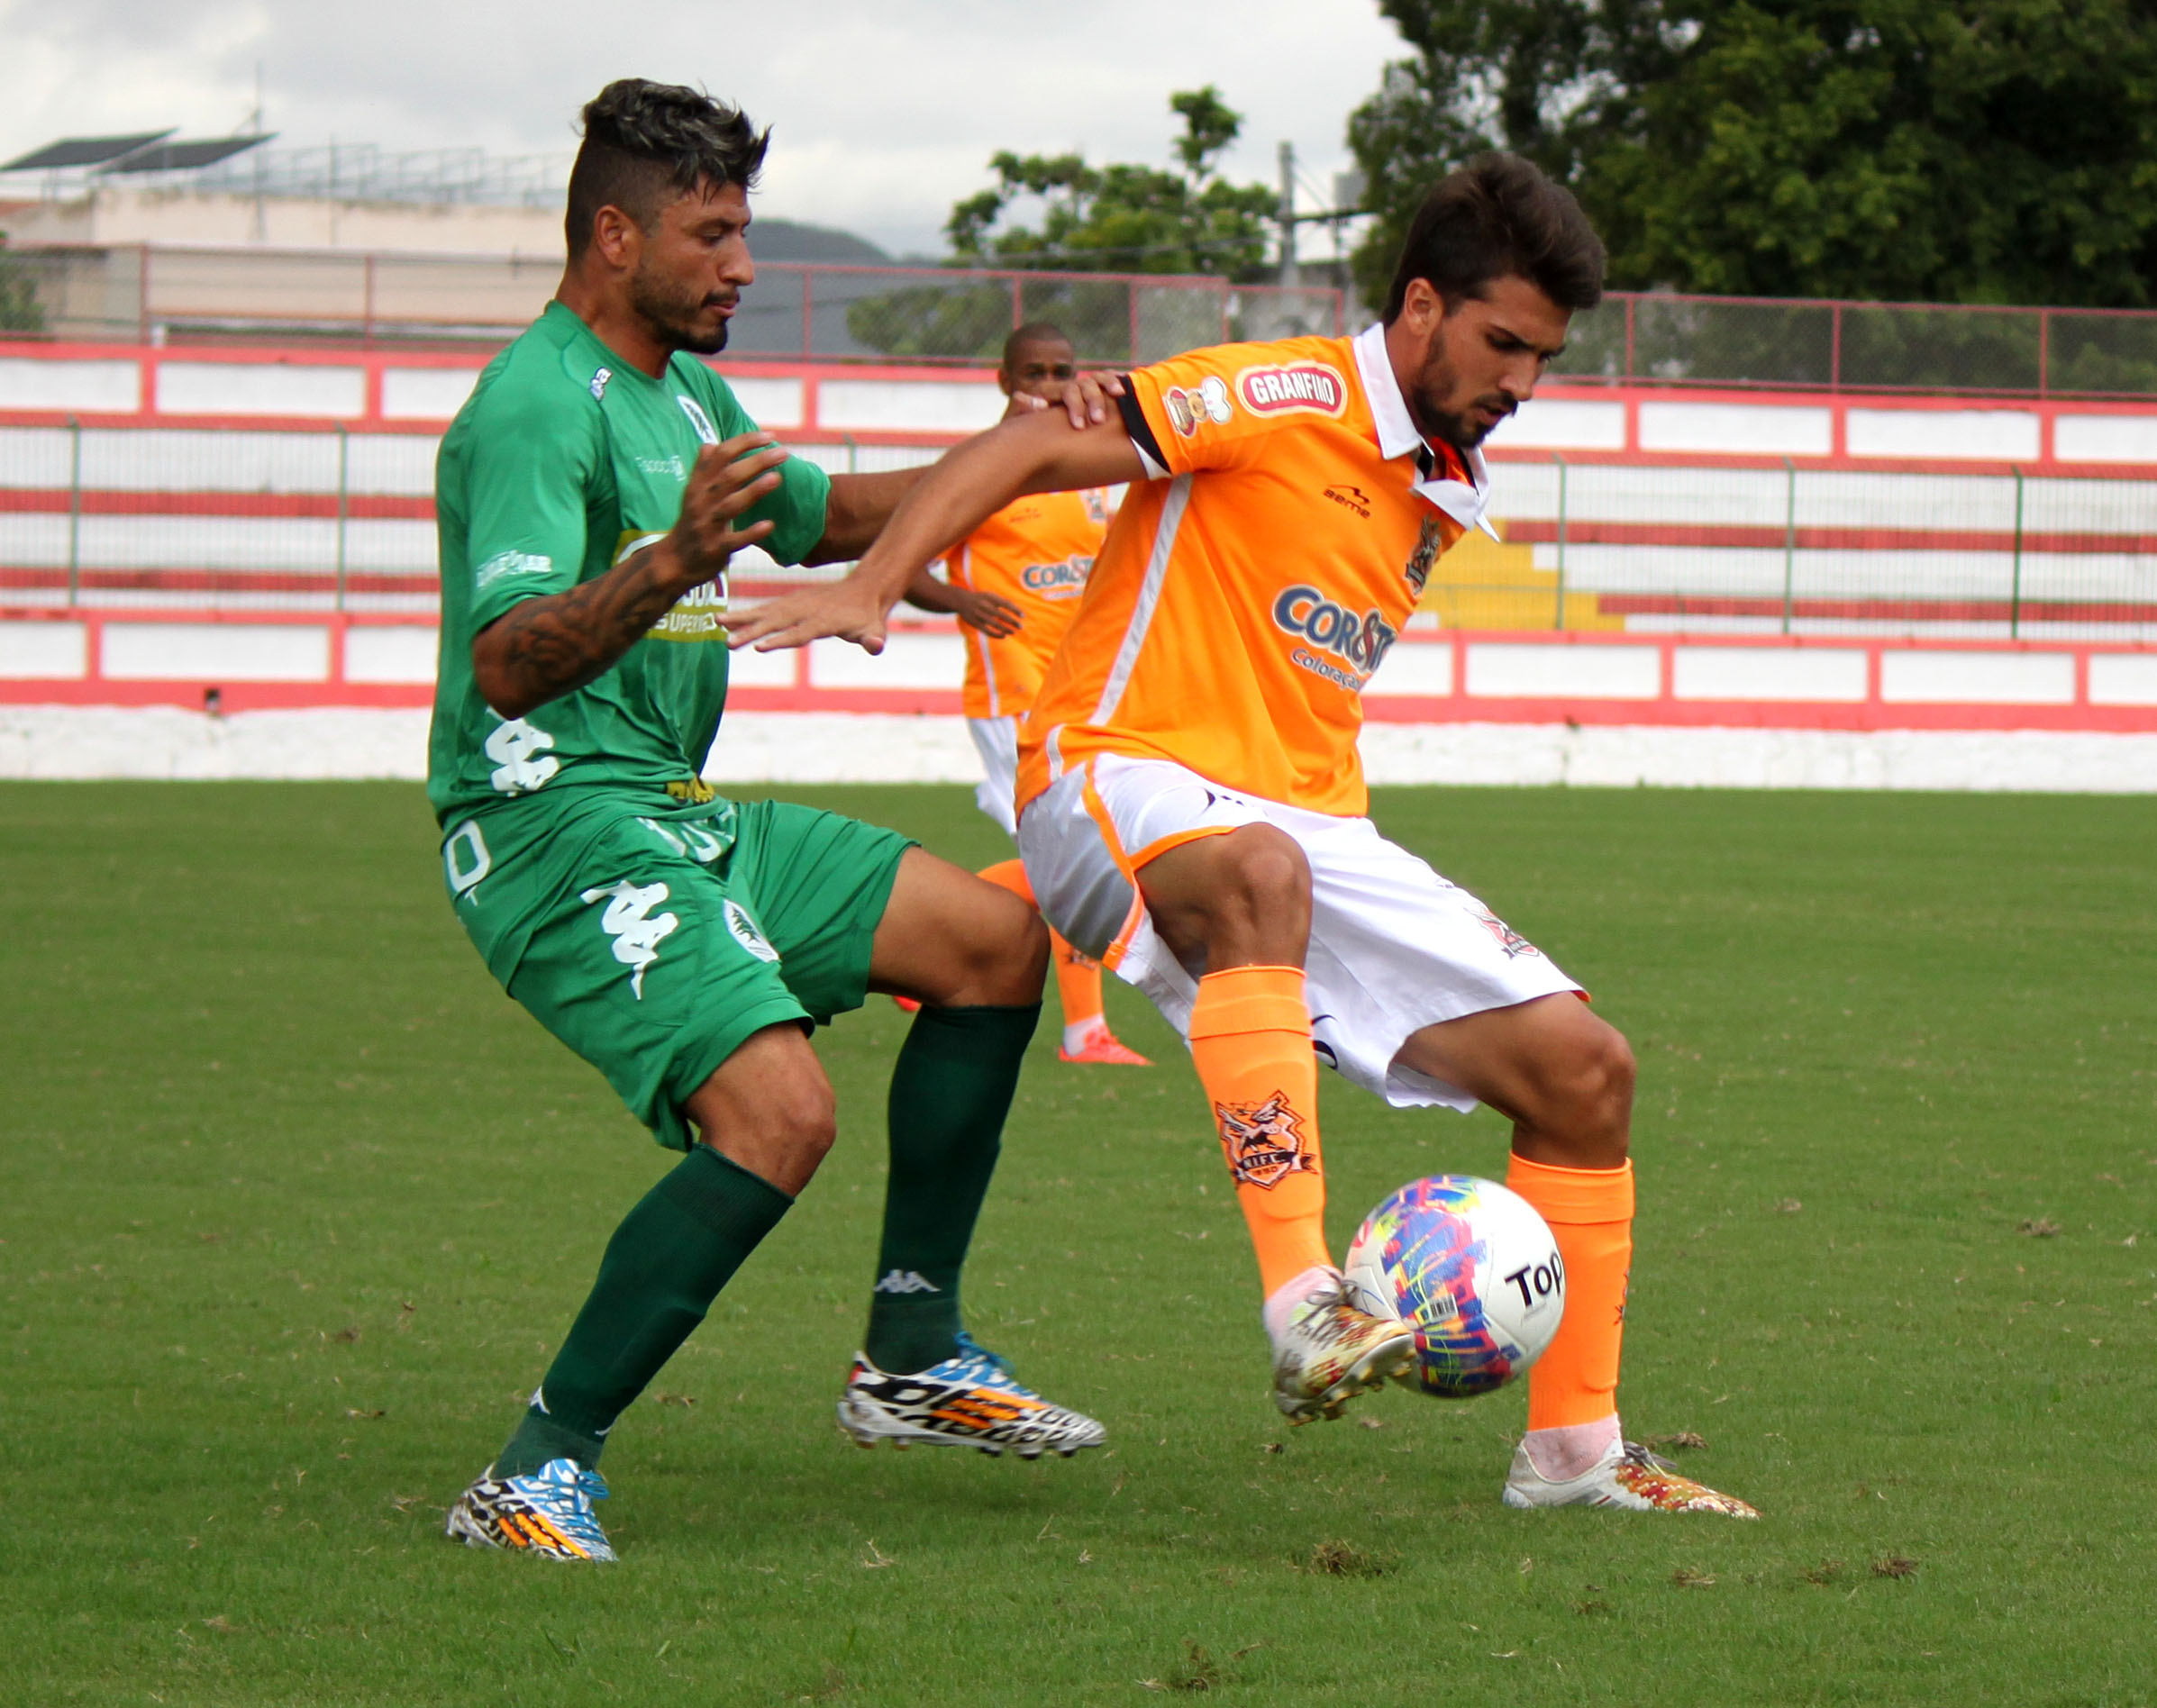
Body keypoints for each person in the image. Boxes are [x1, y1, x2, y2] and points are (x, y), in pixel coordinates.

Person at [728, 155, 1758, 1518]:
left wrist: (820, 522)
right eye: (1504, 343)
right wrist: (869, 579)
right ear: (1420, 307)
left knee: (1586, 1072)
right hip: (1112, 771)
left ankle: (1574, 1452)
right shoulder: (1283, 394)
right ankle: (1302, 1303)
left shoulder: (1443, 472)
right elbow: (1029, 448)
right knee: (1260, 873)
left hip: (1307, 819)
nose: (1523, 379)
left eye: (1544, 358)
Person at [430, 79, 1115, 1565]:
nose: (742, 265)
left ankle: (909, 1353)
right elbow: (508, 663)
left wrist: (1049, 443)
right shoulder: (535, 406)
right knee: (780, 1115)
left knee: (994, 944)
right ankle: (531, 1474)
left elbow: (840, 514)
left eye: (744, 231)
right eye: (713, 235)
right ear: (615, 237)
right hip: (548, 827)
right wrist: (670, 560)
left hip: (675, 813)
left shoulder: (687, 395)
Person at [904, 322, 1150, 1067]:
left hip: (1079, 695)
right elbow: (903, 563)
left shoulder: (1086, 472)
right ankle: (1085, 1032)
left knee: (1078, 858)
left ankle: (913, 942)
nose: (1048, 385)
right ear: (1003, 380)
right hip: (1010, 693)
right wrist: (960, 601)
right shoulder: (983, 470)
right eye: (1034, 372)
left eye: (1061, 371)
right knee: (1080, 858)